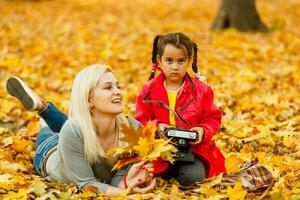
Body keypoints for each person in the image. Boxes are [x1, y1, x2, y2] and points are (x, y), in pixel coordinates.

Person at [6, 64, 156, 196]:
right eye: (108, 87)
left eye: (118, 86)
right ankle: (44, 116)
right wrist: (127, 193)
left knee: (75, 126)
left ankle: (43, 108)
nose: (118, 92)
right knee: (57, 131)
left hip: (77, 133)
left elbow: (115, 180)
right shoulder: (72, 131)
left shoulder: (134, 129)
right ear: (89, 99)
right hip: (49, 153)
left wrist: (125, 183)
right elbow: (87, 185)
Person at [134, 32, 226, 186]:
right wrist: (156, 127)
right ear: (159, 61)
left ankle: (181, 174)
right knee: (147, 177)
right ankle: (167, 173)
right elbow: (140, 120)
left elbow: (212, 119)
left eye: (181, 61)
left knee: (192, 179)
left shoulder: (202, 90)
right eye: (169, 61)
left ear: (189, 61)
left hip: (193, 151)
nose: (175, 67)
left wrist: (202, 131)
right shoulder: (149, 90)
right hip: (159, 151)